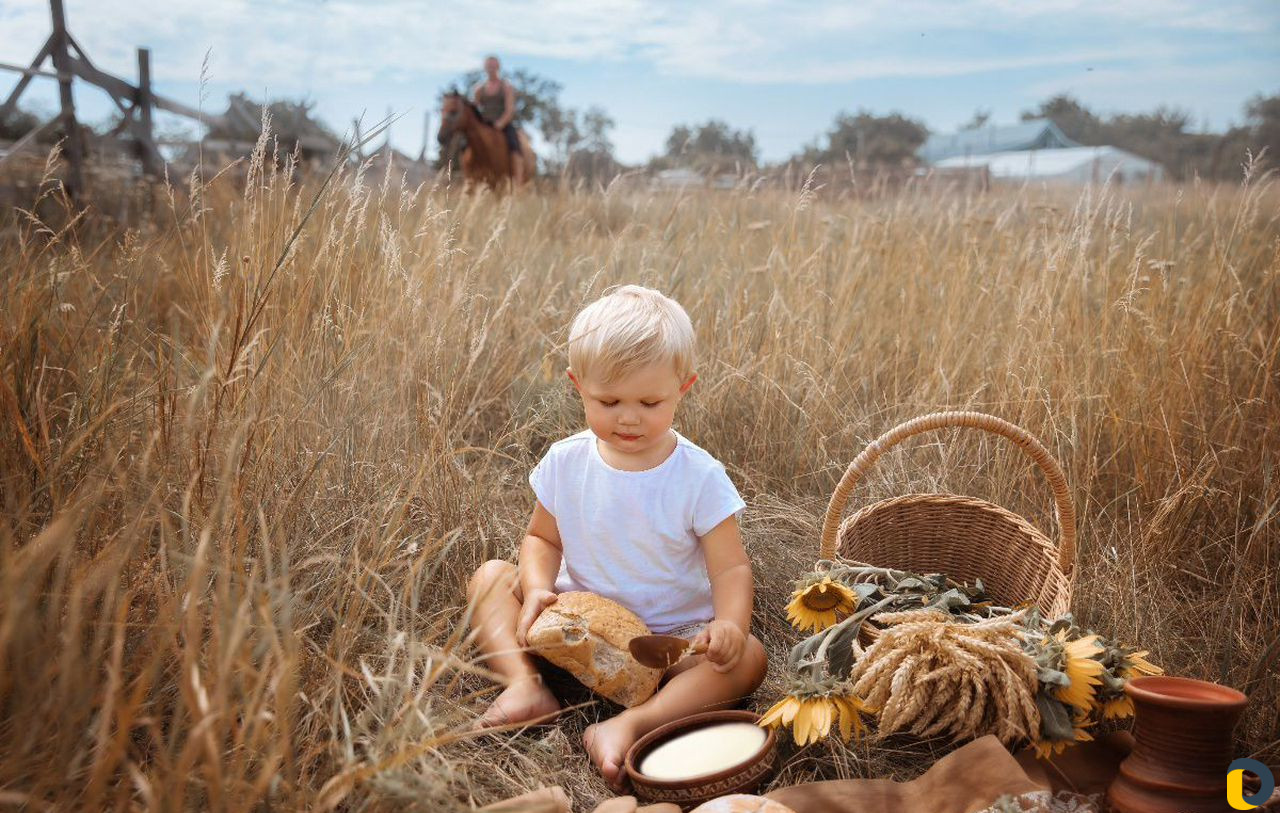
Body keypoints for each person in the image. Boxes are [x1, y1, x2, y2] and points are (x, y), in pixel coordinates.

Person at [466, 285, 768, 789]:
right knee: (491, 577)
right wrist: (539, 588)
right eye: (608, 401)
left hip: (666, 642)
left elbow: (730, 567)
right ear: (576, 385)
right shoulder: (566, 461)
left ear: (684, 388)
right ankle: (526, 687)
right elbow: (542, 539)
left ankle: (631, 723)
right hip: (573, 623)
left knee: (749, 658)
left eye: (650, 401)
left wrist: (730, 625)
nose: (629, 417)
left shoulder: (698, 476)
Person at [471, 55, 525, 185]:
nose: (491, 69)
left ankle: (518, 179)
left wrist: (500, 124)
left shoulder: (506, 87)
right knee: (465, 144)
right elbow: (475, 110)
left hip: (502, 125)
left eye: (493, 66)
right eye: (489, 66)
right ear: (485, 68)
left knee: (515, 146)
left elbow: (509, 110)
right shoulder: (479, 89)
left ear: (498, 67)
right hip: (484, 125)